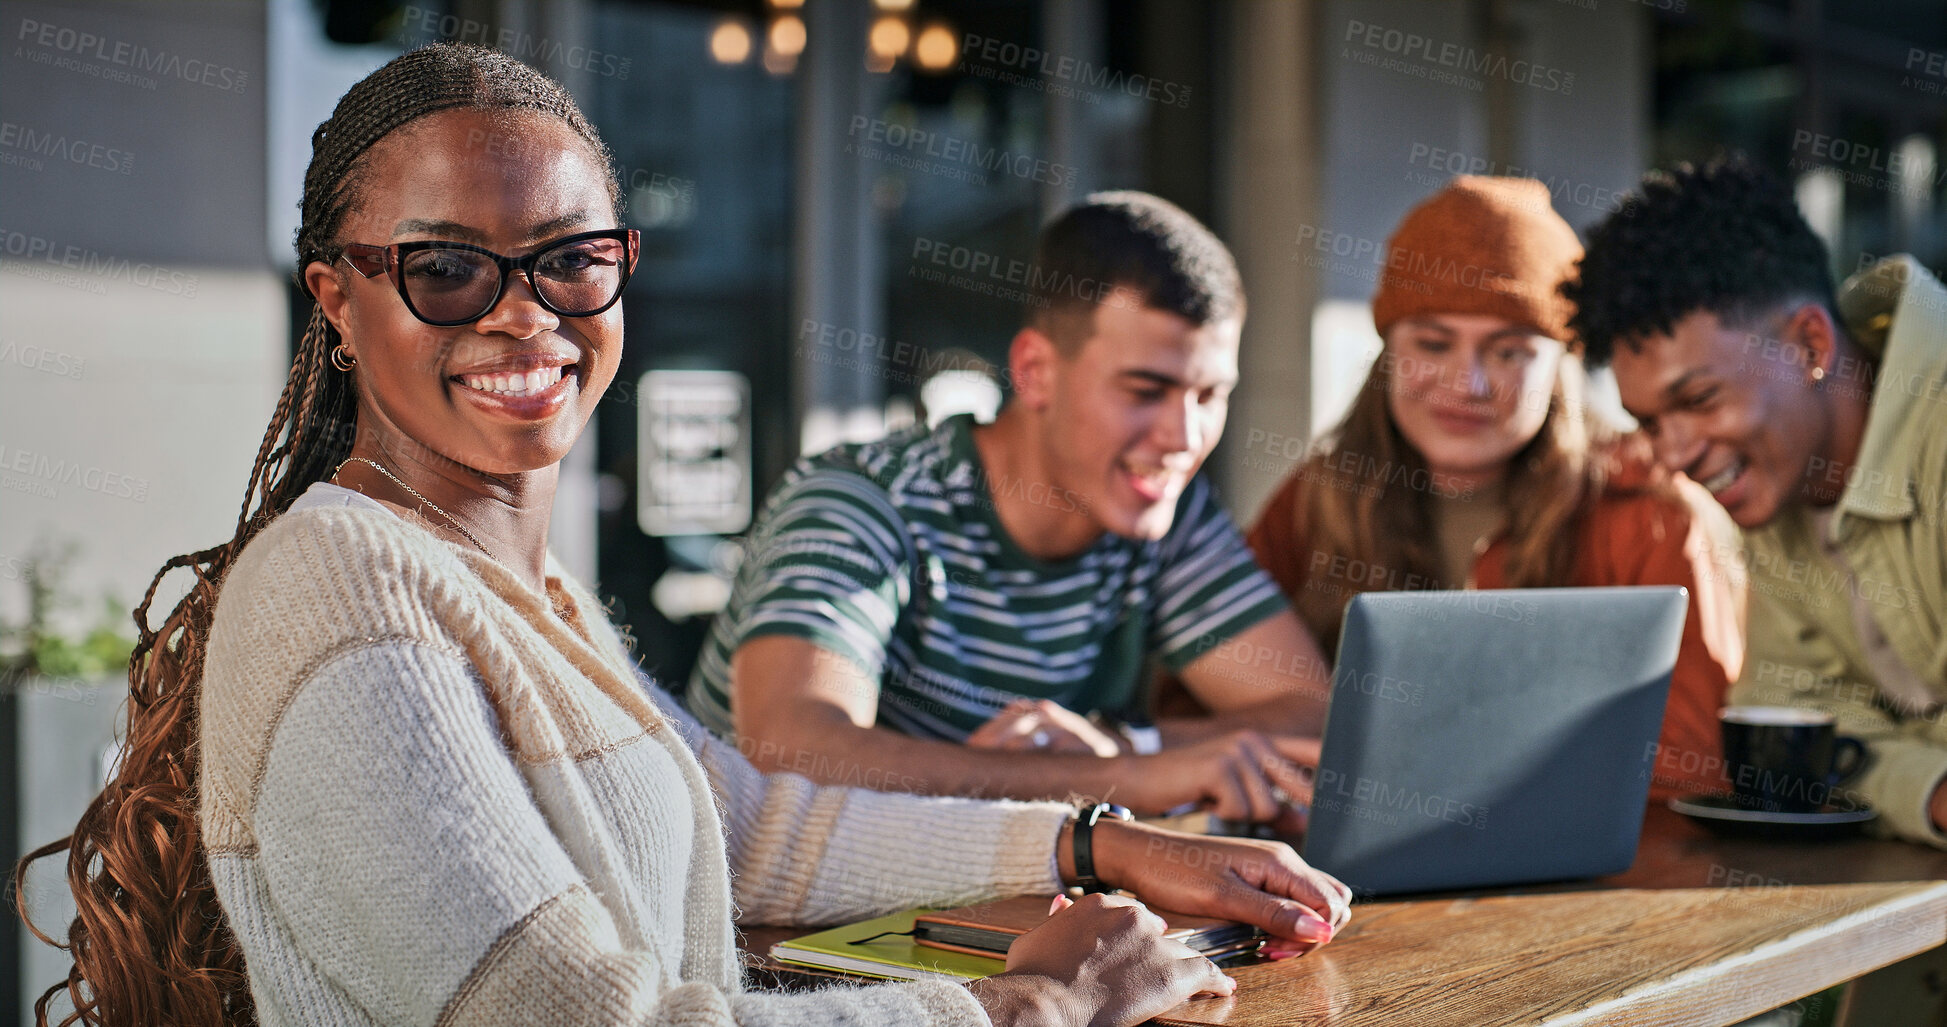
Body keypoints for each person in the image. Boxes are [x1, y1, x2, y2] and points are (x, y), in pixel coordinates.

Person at [10, 45, 1353, 1027]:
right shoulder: (342, 586)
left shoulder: (526, 590)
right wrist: (1028, 1007)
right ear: (337, 302)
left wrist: (1099, 839)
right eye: (445, 267)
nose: (524, 315)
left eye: (569, 259)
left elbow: (751, 820)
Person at [685, 193, 1336, 824]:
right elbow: (794, 752)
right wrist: (1125, 779)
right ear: (1033, 370)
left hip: (968, 911)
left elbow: (1316, 717)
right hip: (758, 924)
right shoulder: (860, 500)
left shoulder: (1165, 512)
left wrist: (1127, 747)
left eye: (1209, 395)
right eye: (1146, 390)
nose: (1184, 437)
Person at [1245, 176, 1746, 802]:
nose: (1469, 384)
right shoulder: (1316, 497)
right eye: (1432, 343)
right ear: (1387, 353)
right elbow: (1198, 714)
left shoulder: (1652, 512)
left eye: (1510, 352)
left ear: (1561, 364)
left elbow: (1690, 766)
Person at [1568, 157, 1947, 845]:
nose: (1672, 454)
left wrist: (1885, 760)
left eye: (1699, 399)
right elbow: (1784, 716)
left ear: (1809, 344)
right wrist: (1925, 786)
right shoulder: (1780, 480)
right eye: (1649, 420)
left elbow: (1831, 745)